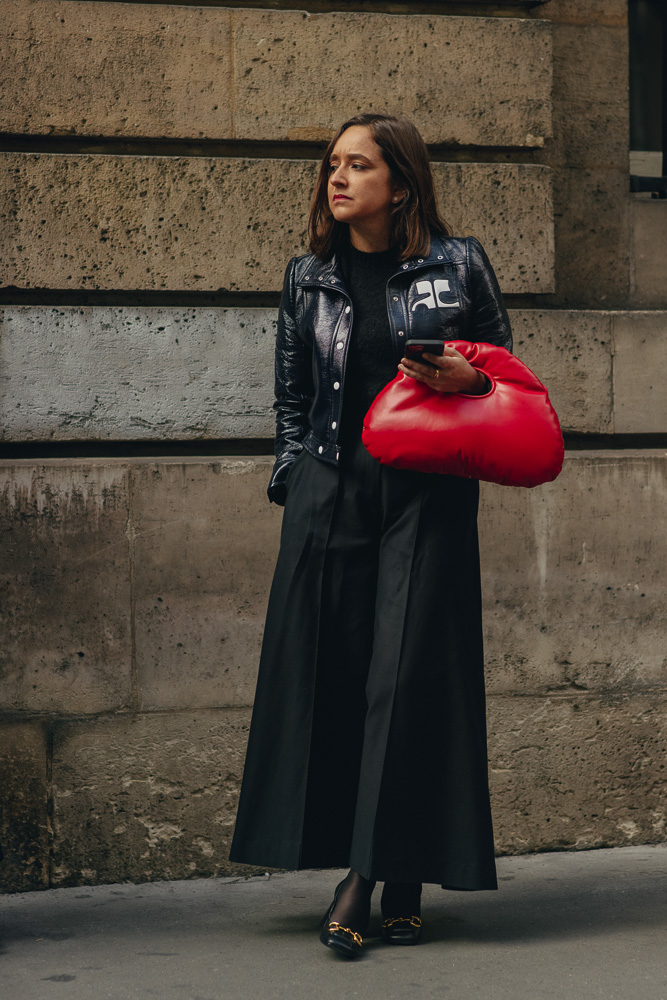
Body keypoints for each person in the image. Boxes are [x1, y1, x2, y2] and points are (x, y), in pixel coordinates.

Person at [228, 112, 513, 959]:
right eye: (331, 166)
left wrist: (470, 375)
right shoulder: (307, 274)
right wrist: (296, 478)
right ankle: (397, 873)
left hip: (424, 492)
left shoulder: (455, 264)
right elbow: (289, 396)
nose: (337, 179)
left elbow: (504, 369)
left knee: (406, 677)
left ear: (401, 180)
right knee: (336, 676)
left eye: (357, 165)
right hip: (330, 489)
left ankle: (364, 877)